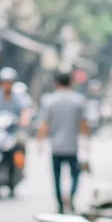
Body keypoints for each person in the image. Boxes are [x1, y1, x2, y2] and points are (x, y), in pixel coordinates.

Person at [37, 72, 89, 213]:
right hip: (72, 147)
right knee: (75, 174)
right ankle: (71, 195)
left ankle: (60, 204)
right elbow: (83, 124)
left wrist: (39, 142)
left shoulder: (49, 100)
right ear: (71, 83)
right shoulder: (78, 100)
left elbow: (45, 123)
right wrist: (87, 142)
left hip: (56, 148)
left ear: (57, 83)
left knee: (57, 178)